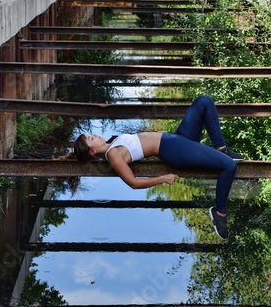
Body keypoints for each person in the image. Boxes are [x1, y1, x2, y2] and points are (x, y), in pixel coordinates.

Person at [73, 95, 244, 239]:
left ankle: (222, 149)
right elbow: (133, 183)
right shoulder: (113, 155)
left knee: (204, 101)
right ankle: (220, 213)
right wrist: (162, 178)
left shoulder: (112, 143)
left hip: (177, 138)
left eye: (91, 135)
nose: (94, 135)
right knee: (228, 166)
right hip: (174, 150)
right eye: (91, 138)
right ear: (92, 151)